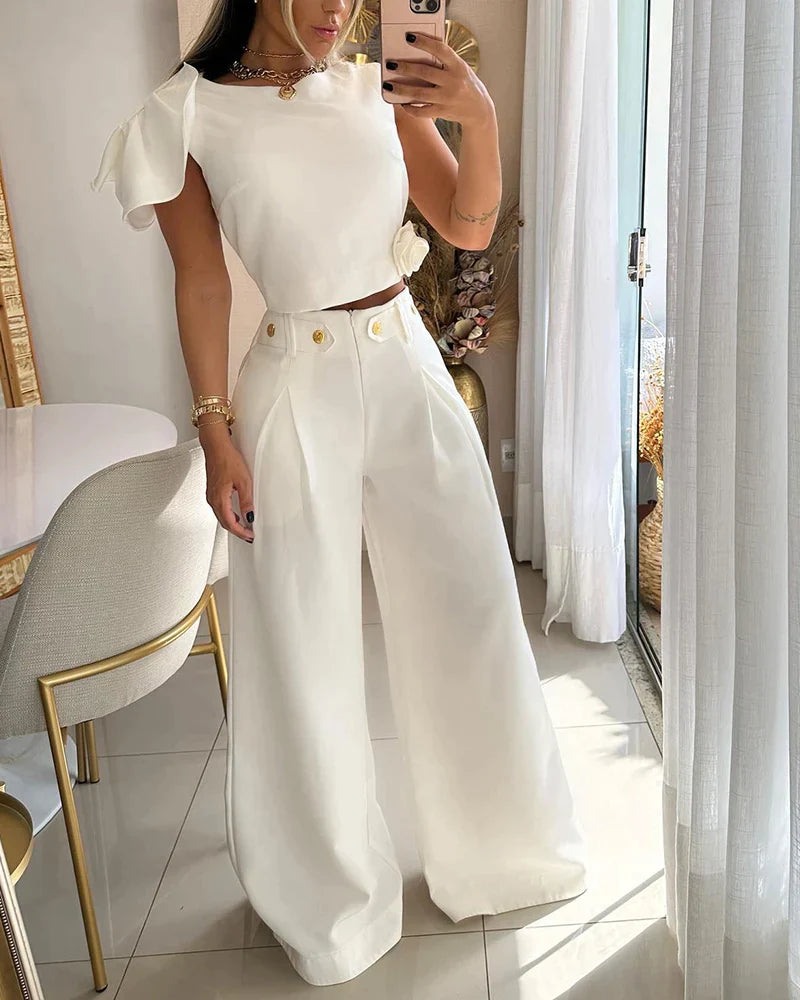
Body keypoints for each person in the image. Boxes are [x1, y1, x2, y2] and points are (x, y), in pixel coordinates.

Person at [90, 0, 588, 987]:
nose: (336, 10)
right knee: (301, 643)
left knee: (472, 609)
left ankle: (504, 848)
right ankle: (329, 903)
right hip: (291, 384)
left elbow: (467, 225)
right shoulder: (185, 113)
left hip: (406, 366)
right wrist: (215, 432)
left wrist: (479, 117)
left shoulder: (379, 86)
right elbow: (202, 283)